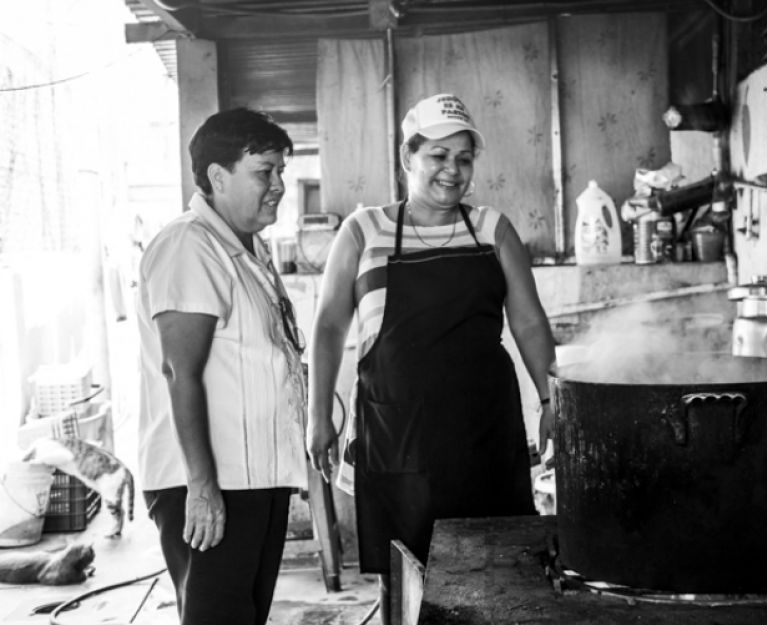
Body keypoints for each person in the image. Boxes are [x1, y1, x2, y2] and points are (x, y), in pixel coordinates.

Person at [307, 93, 556, 621]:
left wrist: (552, 398)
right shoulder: (364, 231)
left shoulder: (491, 228)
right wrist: (317, 417)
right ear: (408, 159)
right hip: (400, 441)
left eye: (463, 159)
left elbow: (529, 320)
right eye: (438, 156)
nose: (453, 171)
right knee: (407, 586)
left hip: (485, 434)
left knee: (500, 573)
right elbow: (329, 327)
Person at [136, 107, 307, 625]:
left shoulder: (244, 249)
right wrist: (203, 488)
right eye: (264, 172)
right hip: (215, 482)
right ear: (217, 176)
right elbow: (179, 372)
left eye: (281, 171)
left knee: (243, 616)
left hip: (253, 479)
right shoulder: (191, 244)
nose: (278, 185)